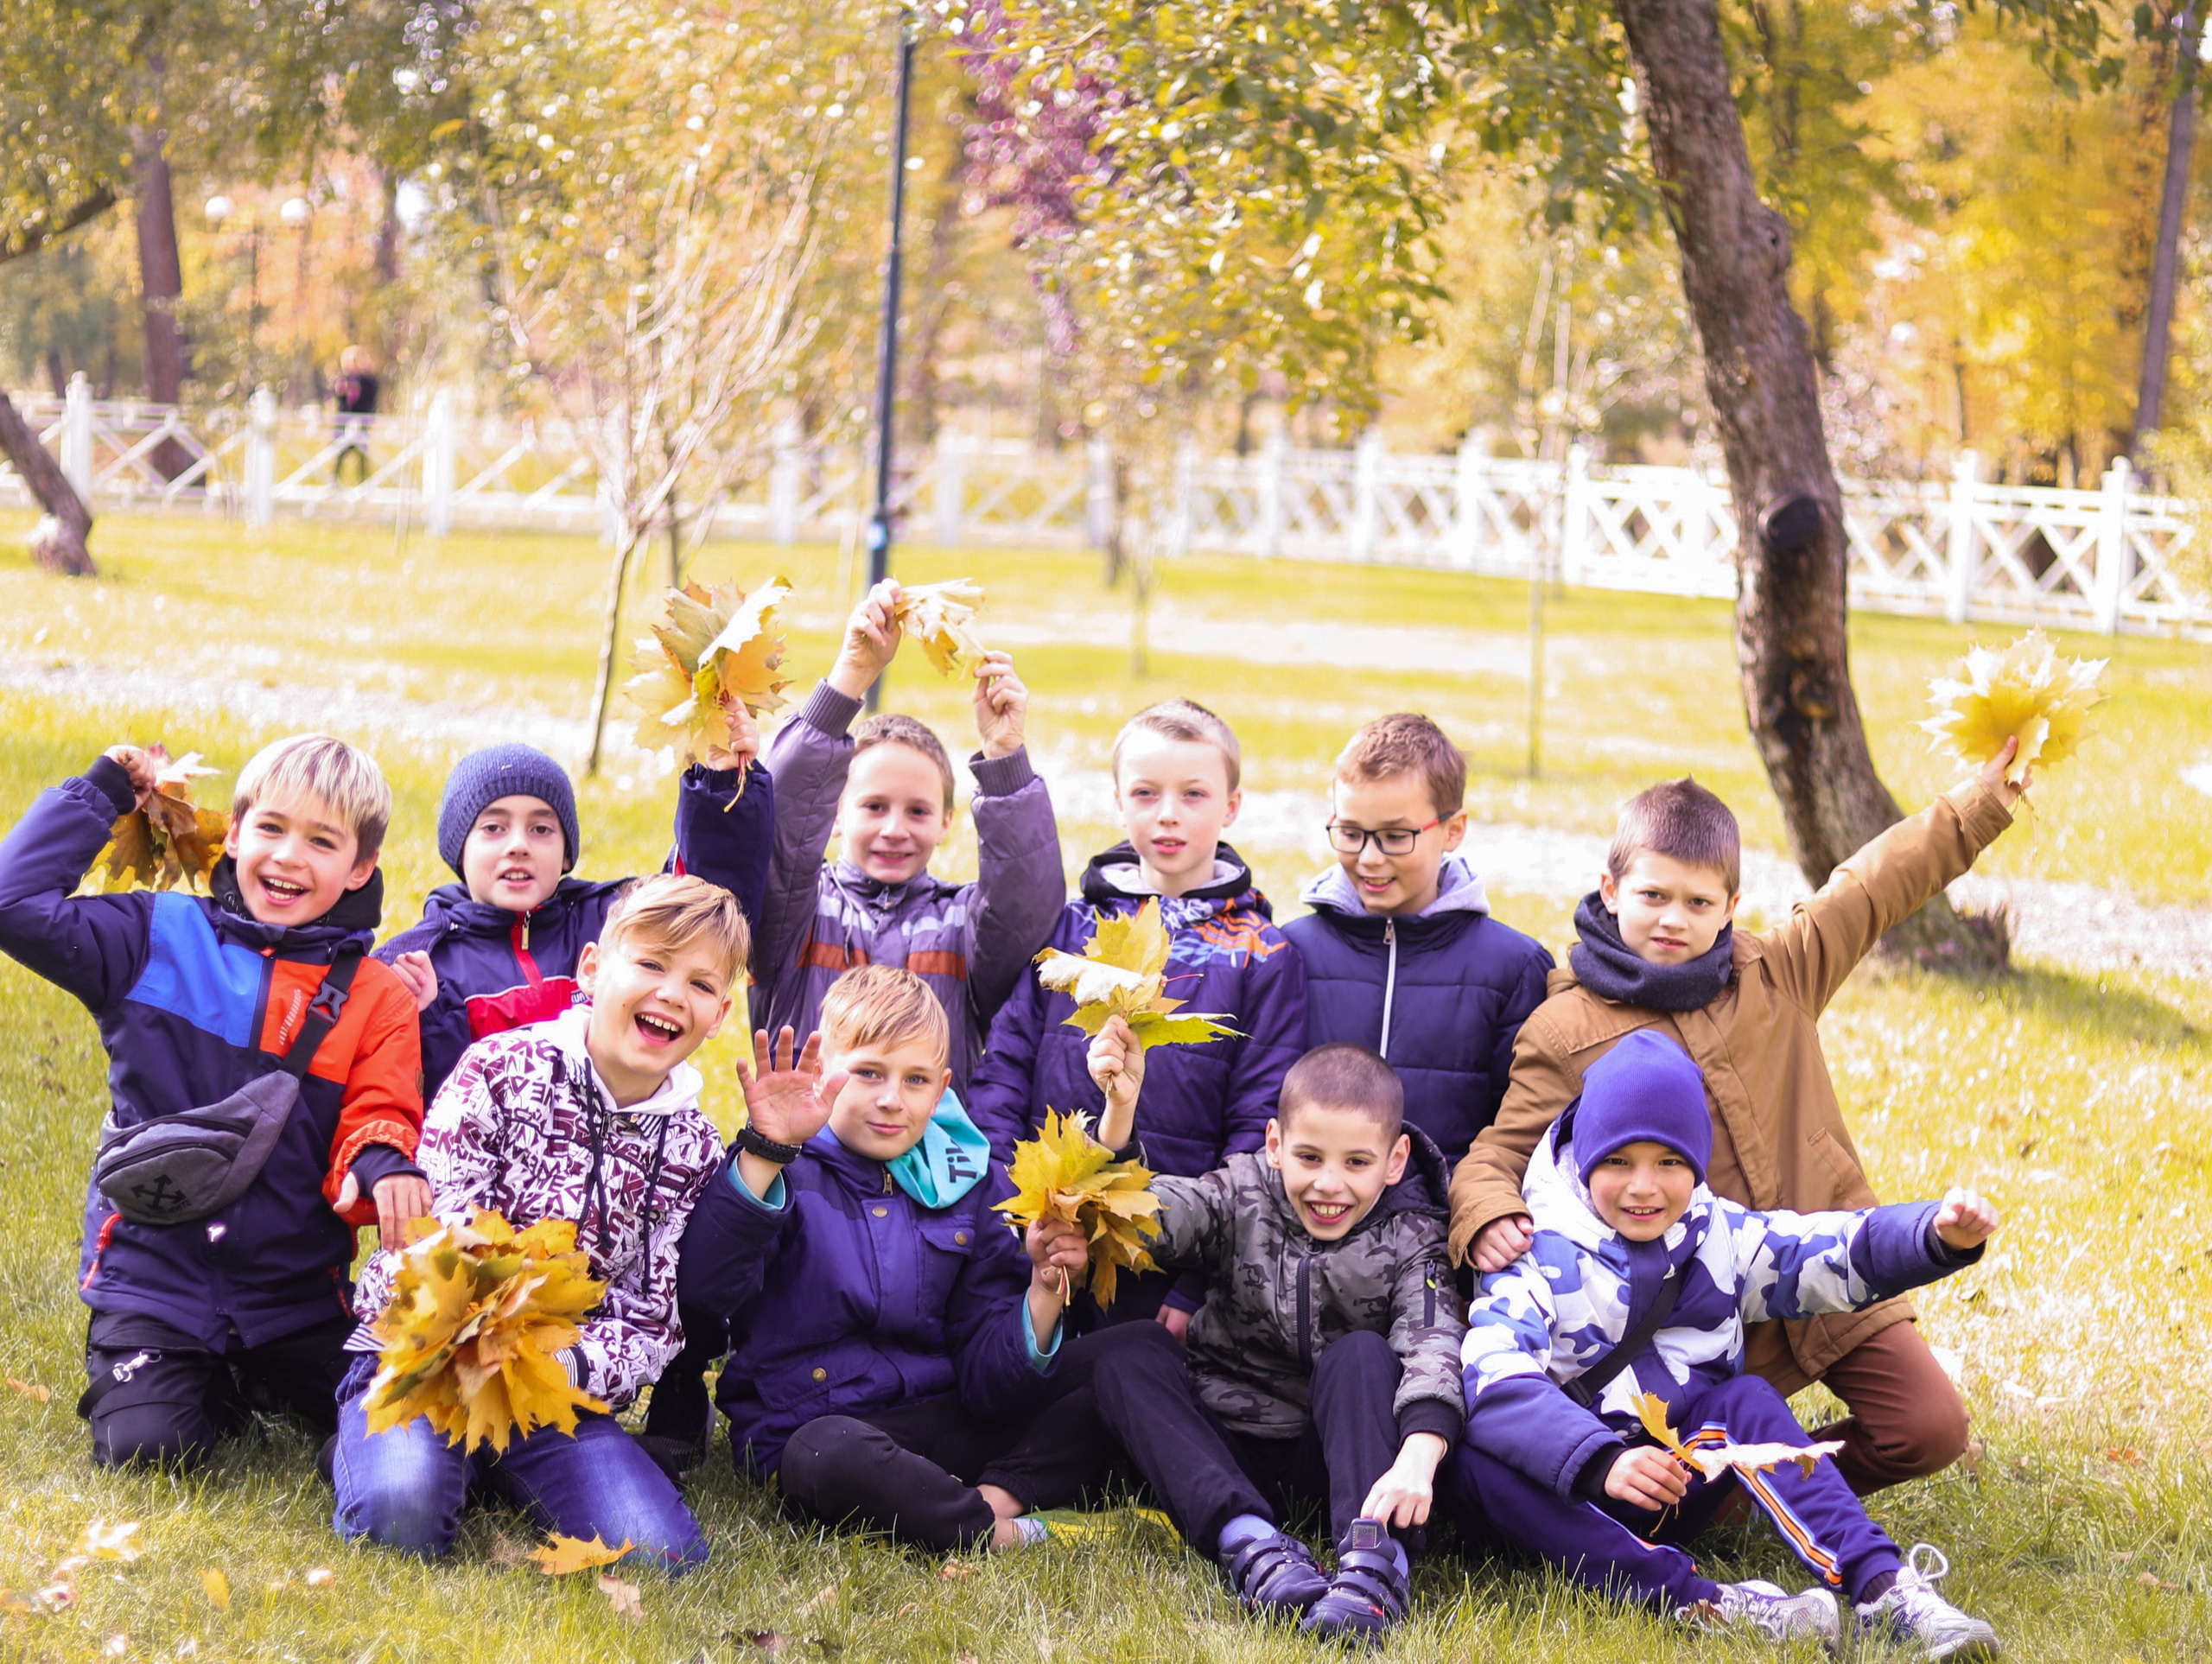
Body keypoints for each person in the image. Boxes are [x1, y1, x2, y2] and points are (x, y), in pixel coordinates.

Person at [1451, 740, 2027, 1495]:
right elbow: (1495, 1154)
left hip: (1827, 1262)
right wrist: (1488, 1211)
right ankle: (1710, 1499)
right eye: (1653, 896)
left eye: (1698, 903)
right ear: (1611, 888)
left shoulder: (1777, 971)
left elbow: (1872, 886)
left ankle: (1763, 1492)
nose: (1672, 920)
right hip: (1692, 1304)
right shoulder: (1565, 1029)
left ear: (1730, 906)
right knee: (1688, 1461)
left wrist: (1975, 806)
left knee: (1929, 1429)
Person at [1451, 1030, 2002, 1656]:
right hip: (1571, 1491)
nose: (1643, 1187)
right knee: (1474, 1457)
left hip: (1678, 1475)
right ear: (1582, 1158)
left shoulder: (1720, 1233)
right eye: (1618, 1162)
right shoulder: (1530, 1248)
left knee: (1746, 1399)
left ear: (1697, 1164)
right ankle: (1705, 1603)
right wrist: (1602, 1462)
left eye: (1669, 1163)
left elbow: (1824, 1251)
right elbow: (1496, 1380)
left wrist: (1933, 1234)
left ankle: (1884, 1586)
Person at [0, 734, 426, 1469]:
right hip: (153, 1282)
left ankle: (249, 1372)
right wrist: (102, 792)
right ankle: (197, 1377)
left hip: (296, 1297)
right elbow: (12, 902)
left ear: (361, 868)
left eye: (322, 842)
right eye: (270, 828)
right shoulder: (152, 935)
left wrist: (382, 1167)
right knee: (150, 1451)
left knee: (396, 1428)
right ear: (233, 834)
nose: (289, 857)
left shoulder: (378, 996)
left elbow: (381, 1112)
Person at [330, 875, 744, 1568]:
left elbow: (650, 1318)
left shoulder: (692, 1146)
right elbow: (436, 1233)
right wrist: (479, 1344)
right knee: (401, 1516)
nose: (673, 993)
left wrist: (563, 1364)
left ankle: (495, 1463)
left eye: (700, 985)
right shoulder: (497, 1069)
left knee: (660, 1555)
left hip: (553, 1383)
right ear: (591, 969)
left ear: (719, 1014)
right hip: (430, 1353)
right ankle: (391, 1447)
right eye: (650, 964)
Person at [672, 966, 1137, 1553]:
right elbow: (704, 1294)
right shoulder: (785, 1166)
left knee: (1133, 1350)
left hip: (944, 1416)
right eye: (868, 1073)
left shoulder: (970, 1180)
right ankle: (1009, 1530)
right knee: (833, 1456)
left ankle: (982, 1498)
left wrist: (1044, 1291)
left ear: (942, 1087)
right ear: (824, 1071)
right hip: (818, 1426)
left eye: (916, 1080)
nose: (892, 1100)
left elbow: (989, 1382)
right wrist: (765, 1155)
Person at [1079, 1029, 1463, 1642]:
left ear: (1394, 1161)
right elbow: (1158, 1214)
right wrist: (1119, 1118)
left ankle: (1372, 1564)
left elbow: (1433, 1342)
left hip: (1333, 1457)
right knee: (1127, 1355)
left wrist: (1420, 1455)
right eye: (1310, 1157)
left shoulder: (1414, 1235)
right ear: (1276, 1145)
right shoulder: (1241, 1193)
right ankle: (1253, 1548)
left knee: (1363, 1355)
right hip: (1224, 1447)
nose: (1329, 1185)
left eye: (1357, 1163)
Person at [967, 697, 1307, 1331]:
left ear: (1231, 805)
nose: (1168, 814)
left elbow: (1259, 1128)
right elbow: (1004, 1071)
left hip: (1168, 1253)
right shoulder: (1069, 930)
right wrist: (1006, 1212)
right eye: (1146, 793)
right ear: (1119, 800)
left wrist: (1198, 1279)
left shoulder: (1264, 953)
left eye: (1194, 794)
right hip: (1046, 1233)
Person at [751, 577, 1064, 1089]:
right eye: (874, 806)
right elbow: (780, 822)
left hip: (932, 1164)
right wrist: (851, 676)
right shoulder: (795, 914)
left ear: (946, 822)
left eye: (918, 811)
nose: (895, 829)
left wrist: (1005, 756)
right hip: (805, 1156)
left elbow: (1025, 904)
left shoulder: (964, 923)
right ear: (834, 813)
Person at [378, 737, 772, 1105]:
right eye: (494, 828)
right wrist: (429, 1018)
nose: (518, 845)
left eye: (542, 829)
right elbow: (420, 1105)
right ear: (458, 849)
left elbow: (707, 903)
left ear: (567, 854)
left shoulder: (611, 922)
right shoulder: (423, 963)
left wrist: (721, 784)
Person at [1284, 712, 1553, 1166]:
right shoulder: (1291, 951)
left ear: (1453, 830)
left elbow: (1521, 1136)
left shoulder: (1514, 968)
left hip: (1444, 1224)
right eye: (1350, 834)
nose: (1369, 858)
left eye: (1394, 836)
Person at [331, 346, 380, 487]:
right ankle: (334, 481)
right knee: (340, 452)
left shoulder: (367, 381)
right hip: (344, 422)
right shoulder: (342, 380)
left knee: (362, 454)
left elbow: (370, 398)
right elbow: (339, 399)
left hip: (361, 421)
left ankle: (364, 482)